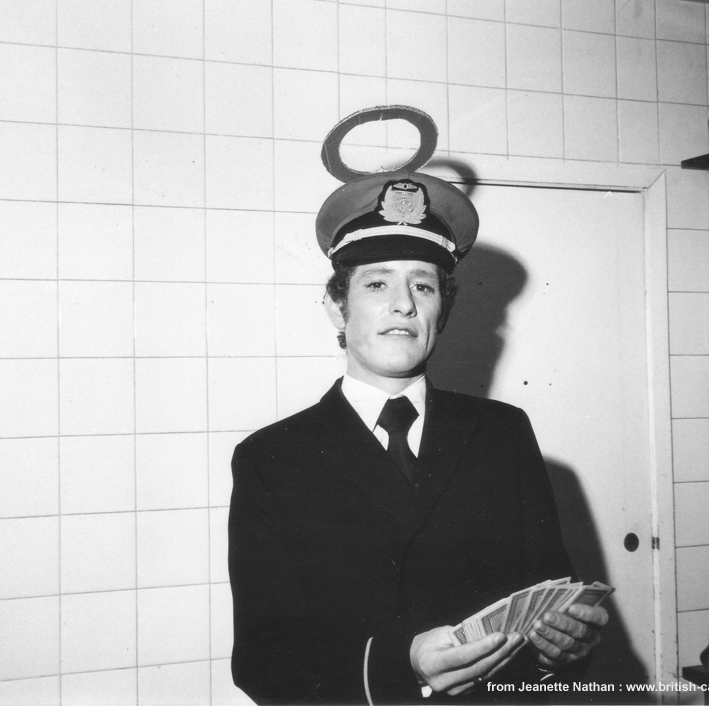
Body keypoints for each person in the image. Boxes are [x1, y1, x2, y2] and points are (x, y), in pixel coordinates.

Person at [228, 171, 608, 704]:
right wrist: (402, 665)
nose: (403, 304)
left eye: (423, 286)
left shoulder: (502, 432)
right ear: (337, 306)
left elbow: (551, 603)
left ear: (441, 311)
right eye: (377, 284)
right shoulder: (272, 458)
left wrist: (557, 653)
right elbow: (262, 659)